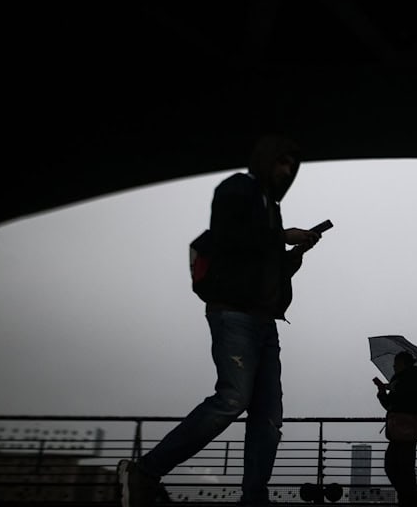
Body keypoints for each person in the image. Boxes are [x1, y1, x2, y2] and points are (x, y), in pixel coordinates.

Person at [117, 133, 323, 507]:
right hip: (234, 315)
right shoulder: (237, 188)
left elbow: (267, 269)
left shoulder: (271, 208)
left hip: (264, 321)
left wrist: (295, 253)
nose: (286, 170)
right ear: (265, 160)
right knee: (232, 399)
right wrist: (281, 236)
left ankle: (254, 497)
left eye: (291, 166)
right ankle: (145, 472)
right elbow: (228, 239)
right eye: (281, 162)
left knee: (269, 417)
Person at [373, 351, 417, 507]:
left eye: (396, 363)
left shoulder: (413, 378)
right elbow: (390, 404)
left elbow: (401, 397)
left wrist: (391, 387)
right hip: (404, 429)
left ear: (404, 363)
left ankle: (410, 499)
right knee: (402, 468)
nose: (393, 366)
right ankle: (411, 498)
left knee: (394, 466)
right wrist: (382, 391)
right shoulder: (402, 379)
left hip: (404, 429)